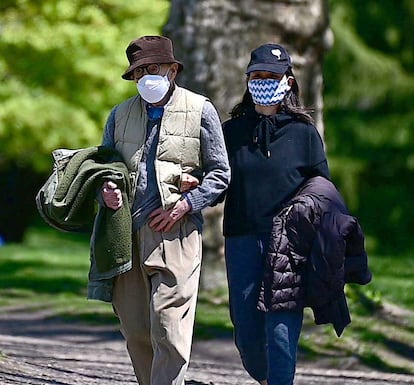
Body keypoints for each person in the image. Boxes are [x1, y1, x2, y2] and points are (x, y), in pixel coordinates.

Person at [100, 35, 230, 385]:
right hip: (127, 233)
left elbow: (221, 174)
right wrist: (106, 192)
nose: (146, 77)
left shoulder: (201, 109)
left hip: (177, 233)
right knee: (135, 327)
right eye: (139, 71)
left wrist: (186, 204)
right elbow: (104, 170)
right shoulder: (119, 114)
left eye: (153, 68)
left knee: (169, 326)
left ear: (173, 70)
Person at [222, 43, 331, 385]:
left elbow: (321, 188)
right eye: (256, 75)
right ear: (248, 79)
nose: (263, 80)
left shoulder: (304, 134)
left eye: (271, 75)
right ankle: (267, 379)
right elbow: (217, 181)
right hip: (240, 239)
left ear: (288, 81)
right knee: (247, 333)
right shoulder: (231, 132)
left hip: (289, 244)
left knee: (281, 331)